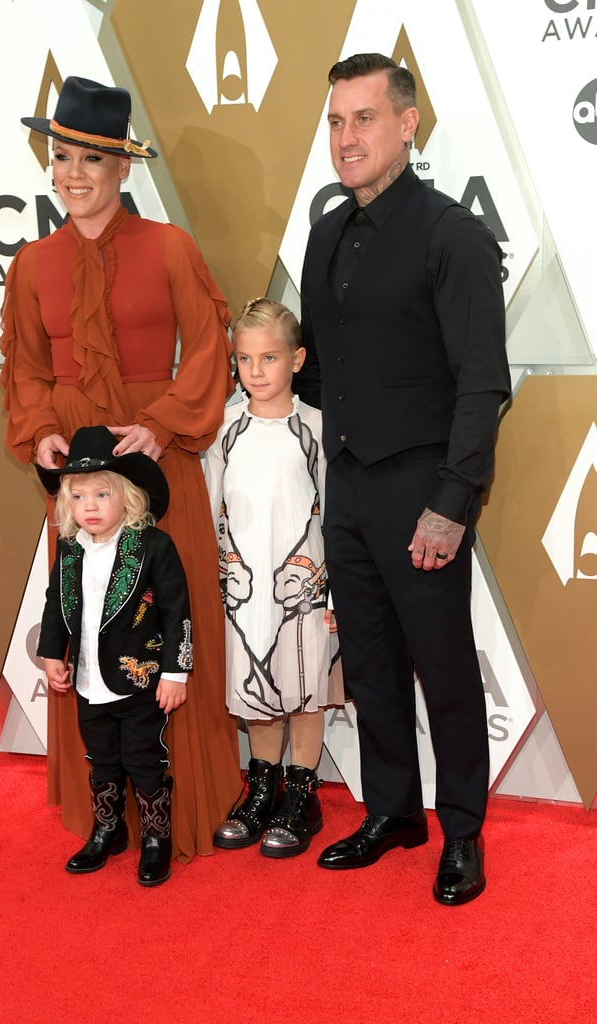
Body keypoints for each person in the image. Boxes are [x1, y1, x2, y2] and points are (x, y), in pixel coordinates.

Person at [0, 75, 241, 863]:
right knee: (88, 619)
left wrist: (163, 422)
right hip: (79, 478)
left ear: (124, 168)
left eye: (91, 159)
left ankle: (181, 807)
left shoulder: (169, 247)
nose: (72, 173)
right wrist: (38, 429)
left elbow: (209, 348)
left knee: (166, 619)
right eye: (61, 155)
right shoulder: (32, 263)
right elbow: (26, 369)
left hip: (155, 461)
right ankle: (108, 813)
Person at [295, 53, 511, 904]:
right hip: (346, 486)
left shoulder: (451, 233)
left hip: (422, 490)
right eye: (336, 122)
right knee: (373, 663)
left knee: (445, 667)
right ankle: (393, 810)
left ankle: (462, 829)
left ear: (407, 124)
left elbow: (483, 382)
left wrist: (451, 504)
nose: (347, 138)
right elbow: (327, 368)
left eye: (365, 119)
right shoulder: (323, 233)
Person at [205, 298, 340, 858]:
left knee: (304, 685)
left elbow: (333, 507)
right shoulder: (223, 429)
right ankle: (262, 785)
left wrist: (325, 578)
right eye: (244, 359)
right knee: (257, 683)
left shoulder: (317, 427)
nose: (255, 372)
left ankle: (301, 792)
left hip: (304, 582)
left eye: (269, 358)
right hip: (243, 583)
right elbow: (214, 504)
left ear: (298, 359)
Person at [36, 426, 191, 886]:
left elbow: (177, 611)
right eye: (79, 496)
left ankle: (156, 837)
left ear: (128, 497)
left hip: (140, 681)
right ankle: (108, 828)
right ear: (67, 503)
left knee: (144, 759)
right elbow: (54, 603)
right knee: (101, 759)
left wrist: (175, 673)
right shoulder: (68, 550)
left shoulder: (152, 546)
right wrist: (50, 655)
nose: (90, 506)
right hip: (87, 683)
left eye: (102, 494)